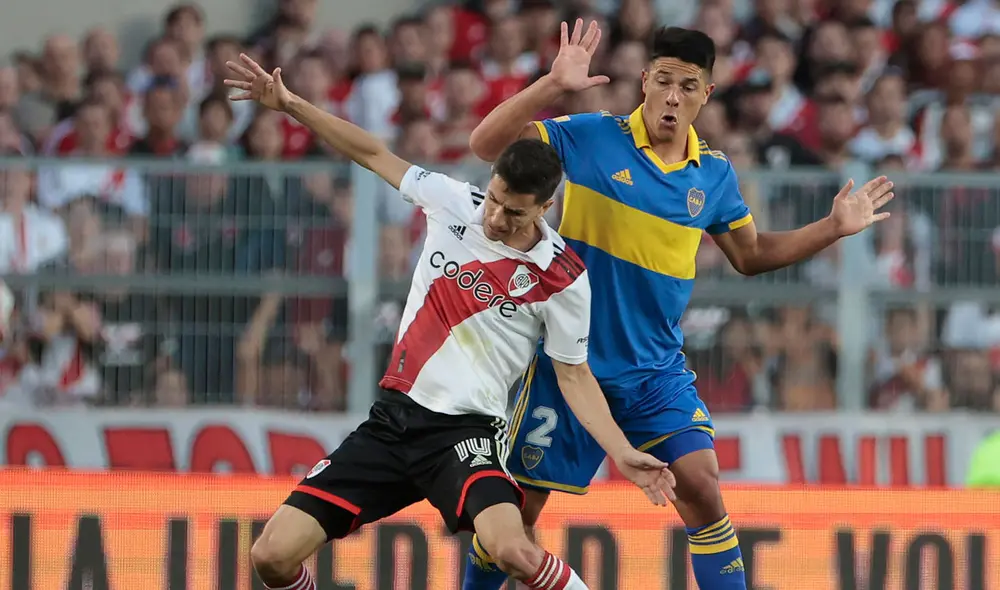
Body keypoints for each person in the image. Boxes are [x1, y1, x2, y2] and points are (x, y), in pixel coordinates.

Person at [461, 23, 895, 590]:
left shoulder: (713, 176)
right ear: (644, 82)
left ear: (706, 95)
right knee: (515, 517)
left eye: (687, 86)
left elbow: (753, 254)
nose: (672, 95)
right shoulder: (590, 136)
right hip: (568, 365)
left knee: (702, 484)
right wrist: (550, 85)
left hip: (653, 371)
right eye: (662, 80)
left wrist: (833, 228)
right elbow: (486, 147)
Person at [223, 53, 676, 590]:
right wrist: (290, 104)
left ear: (546, 207)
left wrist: (623, 451)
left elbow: (575, 375)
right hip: (390, 425)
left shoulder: (563, 277)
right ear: (493, 180)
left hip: (465, 436)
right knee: (271, 556)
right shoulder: (454, 203)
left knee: (513, 548)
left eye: (515, 214)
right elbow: (371, 152)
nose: (497, 218)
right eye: (498, 201)